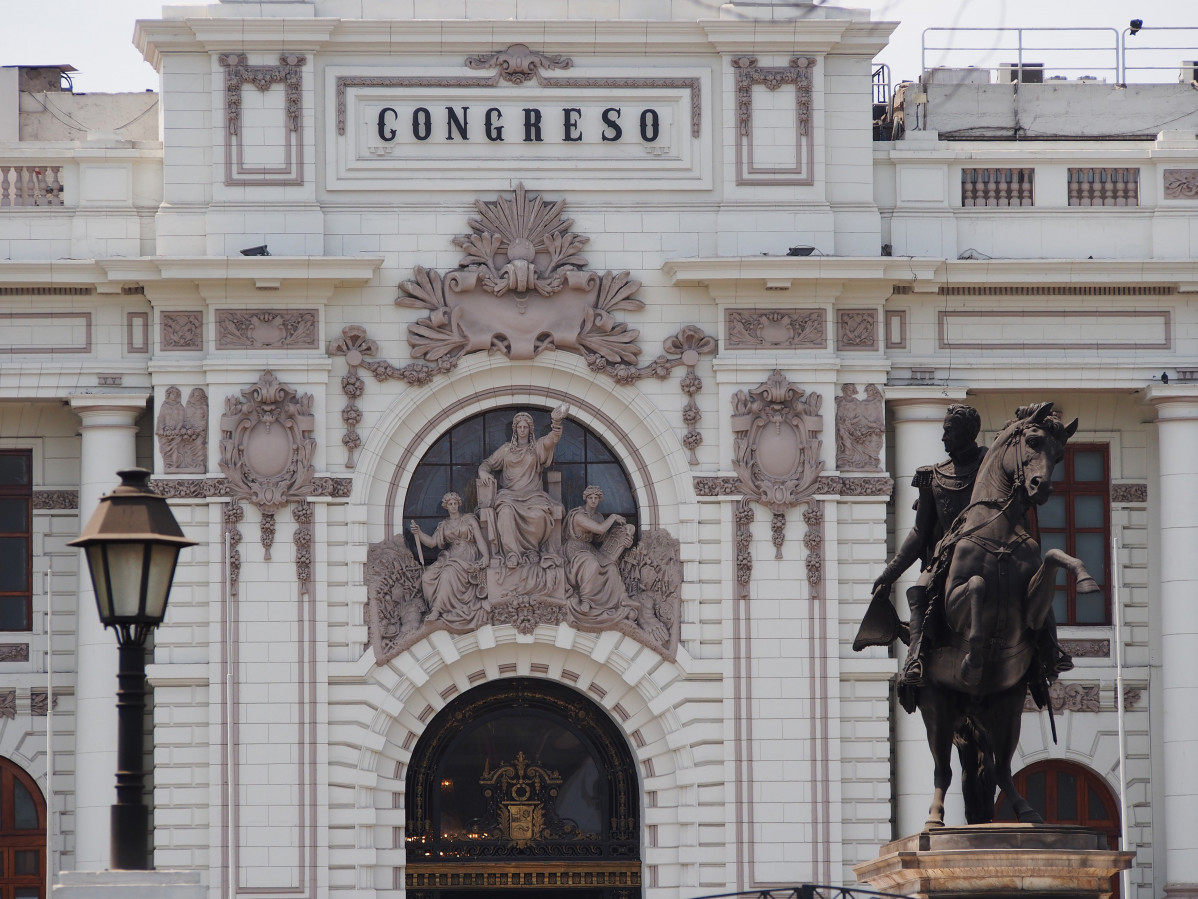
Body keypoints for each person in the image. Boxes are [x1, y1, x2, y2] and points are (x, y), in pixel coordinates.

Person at [477, 405, 568, 568]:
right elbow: (487, 464)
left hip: (534, 496)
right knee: (505, 513)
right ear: (515, 429)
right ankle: (512, 554)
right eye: (519, 427)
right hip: (509, 496)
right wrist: (482, 472)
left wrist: (556, 421)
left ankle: (532, 551)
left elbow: (551, 440)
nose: (522, 430)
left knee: (539, 515)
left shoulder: (536, 448)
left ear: (530, 429)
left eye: (525, 427)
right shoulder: (506, 450)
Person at [410, 492, 490, 627]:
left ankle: (437, 609)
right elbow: (431, 543)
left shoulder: (468, 519)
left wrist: (486, 555)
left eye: (455, 503)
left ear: (459, 504)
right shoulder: (444, 525)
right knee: (427, 576)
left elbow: (479, 539)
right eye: (450, 504)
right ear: (446, 506)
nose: (453, 506)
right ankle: (437, 607)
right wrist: (419, 533)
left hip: (467, 554)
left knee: (448, 572)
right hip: (451, 554)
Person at [563, 485, 636, 626]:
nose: (593, 501)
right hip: (576, 548)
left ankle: (623, 599)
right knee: (592, 564)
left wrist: (622, 541)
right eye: (590, 498)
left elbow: (601, 538)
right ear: (586, 498)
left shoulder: (598, 516)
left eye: (596, 498)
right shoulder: (578, 515)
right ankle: (586, 600)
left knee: (610, 566)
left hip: (590, 548)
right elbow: (600, 529)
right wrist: (613, 517)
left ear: (599, 500)